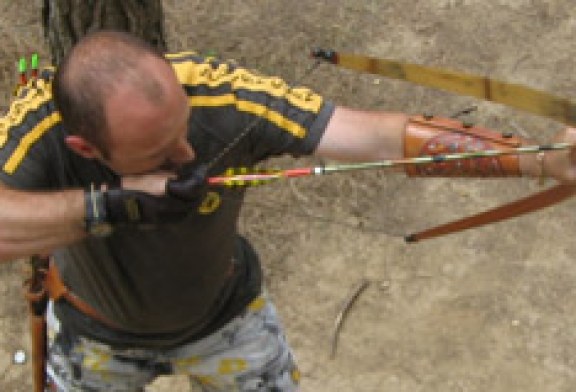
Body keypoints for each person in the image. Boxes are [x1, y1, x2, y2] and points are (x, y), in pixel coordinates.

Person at [1, 31, 575, 391]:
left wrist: (541, 163)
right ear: (87, 150)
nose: (188, 153)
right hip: (93, 335)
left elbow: (373, 137)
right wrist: (114, 206)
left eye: (183, 127)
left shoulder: (221, 93)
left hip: (226, 319)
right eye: (160, 152)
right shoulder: (40, 126)